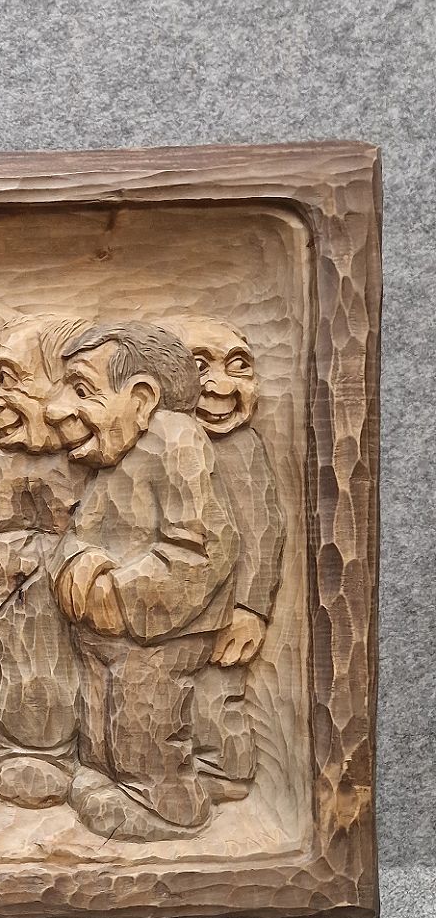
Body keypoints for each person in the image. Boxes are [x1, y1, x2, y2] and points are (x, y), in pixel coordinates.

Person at [46, 321, 239, 841]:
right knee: (101, 712)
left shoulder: (175, 441)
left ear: (141, 398)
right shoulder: (115, 453)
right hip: (102, 627)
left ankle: (167, 804)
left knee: (143, 718)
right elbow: (82, 530)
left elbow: (200, 546)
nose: (57, 409)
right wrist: (76, 565)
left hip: (159, 631)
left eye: (81, 390)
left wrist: (119, 591)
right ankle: (107, 777)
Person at [0, 316, 88, 807]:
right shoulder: (3, 461)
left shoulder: (117, 456)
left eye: (8, 379)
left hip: (112, 604)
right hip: (30, 601)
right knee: (35, 657)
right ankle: (35, 748)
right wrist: (41, 575)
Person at [183, 316, 285, 803]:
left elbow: (265, 531)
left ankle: (223, 771)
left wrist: (251, 608)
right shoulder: (158, 443)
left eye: (238, 365)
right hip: (168, 606)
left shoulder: (242, 448)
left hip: (223, 611)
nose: (219, 385)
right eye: (199, 366)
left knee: (216, 692)